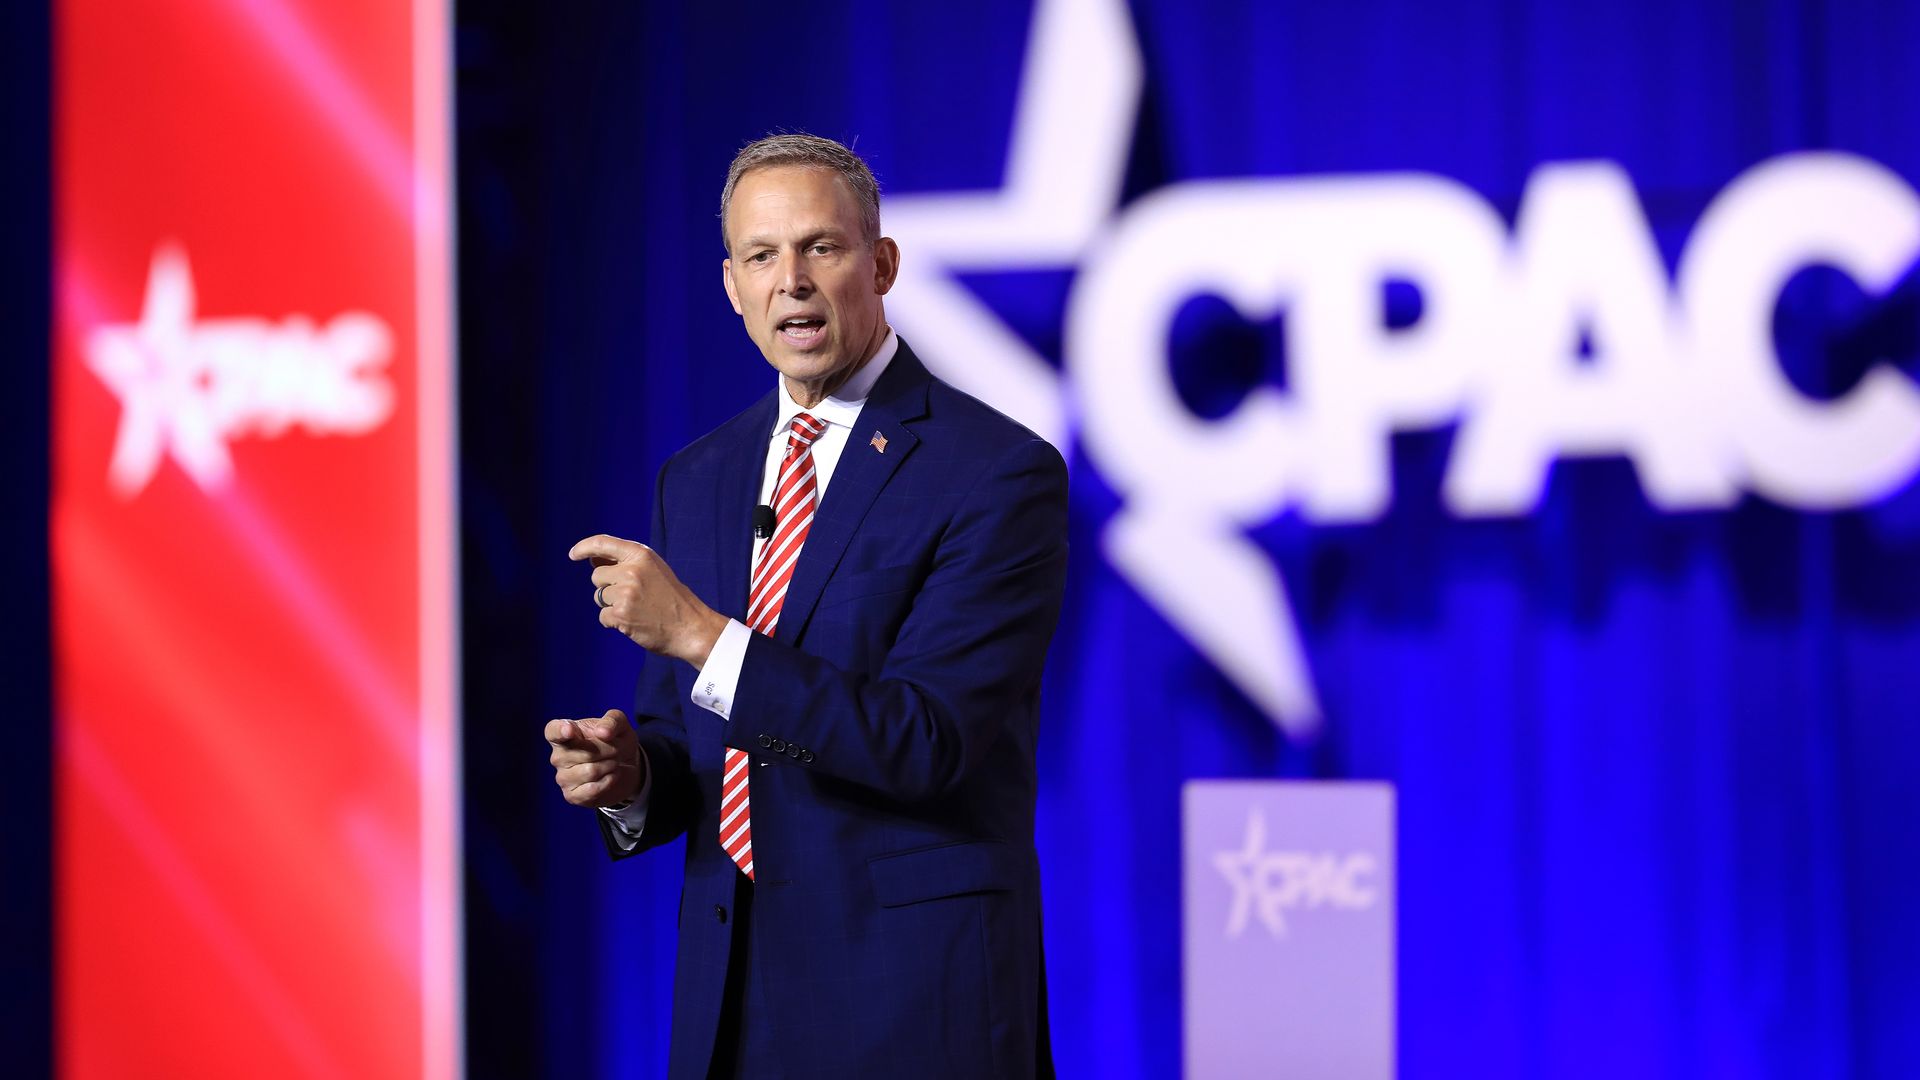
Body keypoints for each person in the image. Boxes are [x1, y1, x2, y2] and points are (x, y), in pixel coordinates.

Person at [544, 133, 1068, 1079]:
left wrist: (704, 636)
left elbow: (927, 742)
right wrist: (631, 781)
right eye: (761, 255)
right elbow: (693, 735)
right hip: (731, 1003)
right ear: (731, 286)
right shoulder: (697, 478)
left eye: (821, 247)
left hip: (914, 1007)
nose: (791, 279)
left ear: (882, 264)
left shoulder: (995, 473)